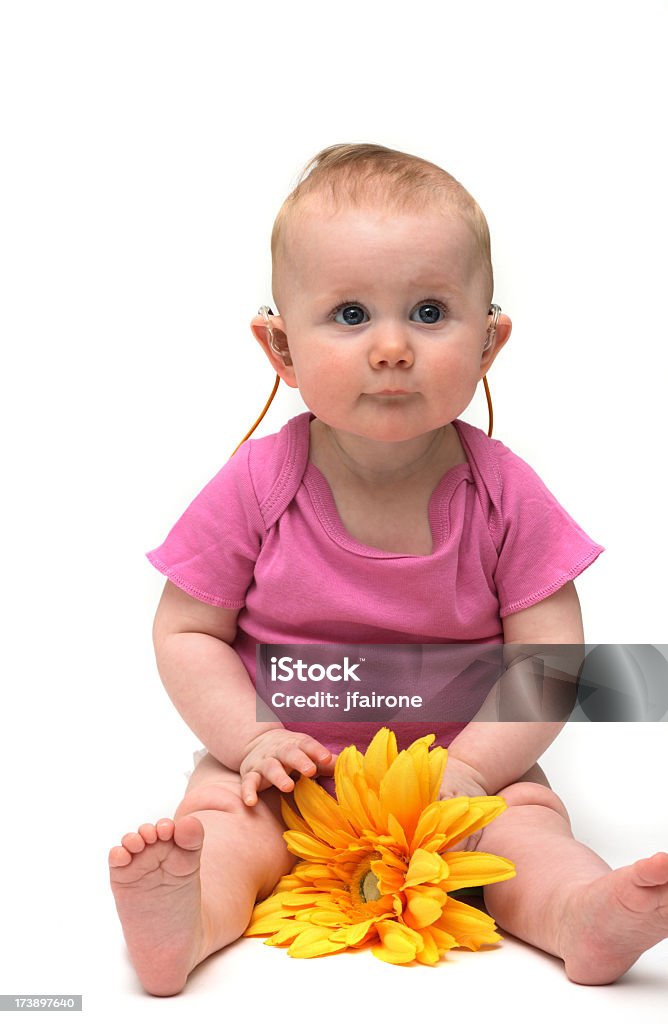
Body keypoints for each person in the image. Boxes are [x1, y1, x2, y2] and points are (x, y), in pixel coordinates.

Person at [109, 143, 668, 995]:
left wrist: (478, 768)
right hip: (286, 770)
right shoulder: (259, 485)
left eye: (431, 312)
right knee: (224, 824)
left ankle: (576, 915)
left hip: (457, 766)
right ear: (281, 349)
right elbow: (186, 630)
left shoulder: (504, 493)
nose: (394, 347)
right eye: (350, 315)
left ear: (489, 344)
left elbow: (551, 657)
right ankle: (184, 921)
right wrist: (251, 741)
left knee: (523, 832)